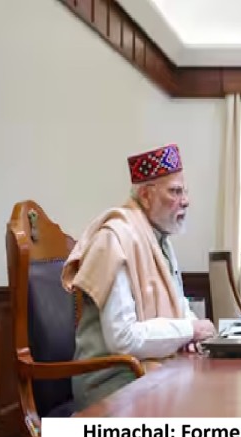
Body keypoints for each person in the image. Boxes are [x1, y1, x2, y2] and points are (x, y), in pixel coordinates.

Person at [62, 143, 216, 408]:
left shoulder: (159, 239)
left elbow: (179, 307)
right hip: (111, 384)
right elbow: (123, 339)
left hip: (148, 373)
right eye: (175, 191)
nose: (186, 201)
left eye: (185, 191)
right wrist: (189, 329)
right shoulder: (115, 239)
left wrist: (192, 334)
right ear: (146, 195)